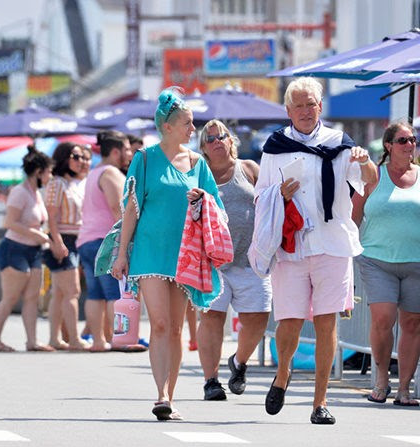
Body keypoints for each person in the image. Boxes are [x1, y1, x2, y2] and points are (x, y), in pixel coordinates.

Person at [256, 77, 377, 424]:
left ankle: (319, 402)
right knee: (289, 322)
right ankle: (283, 374)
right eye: (300, 105)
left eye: (312, 104)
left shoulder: (341, 143)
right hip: (292, 245)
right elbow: (260, 196)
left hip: (333, 244)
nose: (307, 111)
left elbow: (369, 180)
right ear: (289, 110)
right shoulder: (275, 146)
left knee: (327, 323)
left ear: (320, 107)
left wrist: (366, 160)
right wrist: (279, 193)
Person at [111, 87, 224, 421]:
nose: (194, 130)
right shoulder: (144, 159)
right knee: (159, 324)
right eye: (188, 124)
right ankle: (161, 394)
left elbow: (216, 207)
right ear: (170, 127)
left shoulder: (198, 163)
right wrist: (121, 254)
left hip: (186, 253)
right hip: (149, 253)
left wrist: (202, 199)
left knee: (175, 329)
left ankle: (169, 396)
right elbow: (131, 209)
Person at [197, 120, 272, 401]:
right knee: (212, 318)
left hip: (250, 259)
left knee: (258, 318)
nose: (217, 141)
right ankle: (211, 381)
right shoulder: (197, 175)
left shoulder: (250, 169)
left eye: (222, 136)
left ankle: (239, 362)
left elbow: (271, 204)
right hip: (211, 262)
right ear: (204, 147)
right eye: (210, 138)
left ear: (232, 141)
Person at [352, 120, 420, 407]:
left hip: (416, 261)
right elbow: (353, 217)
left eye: (413, 140)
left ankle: (404, 389)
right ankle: (381, 379)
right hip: (377, 260)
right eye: (403, 140)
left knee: (413, 323)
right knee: (383, 319)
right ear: (389, 146)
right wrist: (346, 255)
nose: (410, 145)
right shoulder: (373, 177)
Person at [0, 146, 55, 352]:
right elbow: (9, 222)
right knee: (10, 297)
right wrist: (38, 235)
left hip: (34, 251)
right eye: (49, 172)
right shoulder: (19, 192)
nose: (50, 176)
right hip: (14, 248)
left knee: (33, 297)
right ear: (38, 172)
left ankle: (32, 341)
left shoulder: (36, 194)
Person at [77, 130, 130, 352]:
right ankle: (118, 339)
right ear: (115, 151)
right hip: (105, 240)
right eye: (127, 149)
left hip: (86, 239)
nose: (130, 153)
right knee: (113, 293)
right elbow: (118, 209)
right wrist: (125, 243)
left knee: (95, 294)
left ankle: (99, 341)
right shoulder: (111, 173)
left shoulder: (93, 173)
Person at [43, 142, 90, 350]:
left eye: (81, 157)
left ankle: (56, 338)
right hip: (61, 238)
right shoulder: (57, 183)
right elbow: (51, 216)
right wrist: (57, 241)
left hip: (73, 238)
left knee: (60, 292)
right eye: (75, 156)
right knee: (72, 291)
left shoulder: (73, 183)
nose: (80, 161)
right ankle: (74, 338)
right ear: (64, 158)